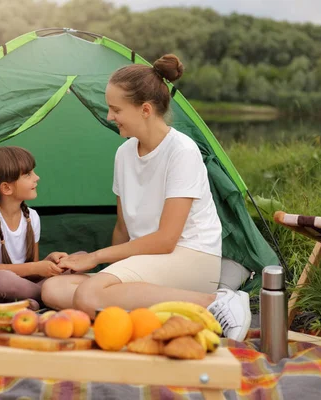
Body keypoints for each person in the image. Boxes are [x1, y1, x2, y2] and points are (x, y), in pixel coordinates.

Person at [41, 54, 252, 341]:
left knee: (89, 296)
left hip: (189, 257)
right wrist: (110, 273)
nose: (109, 117)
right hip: (148, 260)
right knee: (53, 289)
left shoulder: (182, 151)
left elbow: (166, 240)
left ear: (145, 110)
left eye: (116, 110)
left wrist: (94, 259)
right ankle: (168, 313)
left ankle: (215, 303)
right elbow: (122, 228)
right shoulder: (124, 154)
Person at [0, 146, 68, 311]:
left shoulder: (31, 216)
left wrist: (47, 263)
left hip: (23, 282)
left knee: (76, 260)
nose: (37, 177)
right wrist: (36, 267)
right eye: (28, 174)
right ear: (6, 188)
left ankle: (30, 299)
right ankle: (49, 296)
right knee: (2, 280)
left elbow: (32, 270)